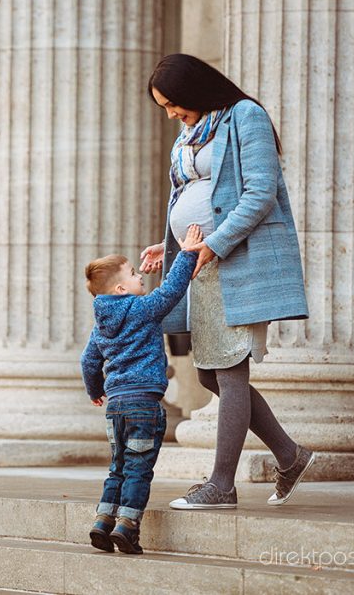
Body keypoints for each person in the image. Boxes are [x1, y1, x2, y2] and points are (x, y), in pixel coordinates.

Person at [139, 53, 315, 510]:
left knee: (229, 367)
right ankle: (290, 455)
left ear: (197, 90)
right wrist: (172, 245)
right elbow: (192, 196)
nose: (172, 114)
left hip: (237, 261)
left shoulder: (244, 117)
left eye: (175, 104)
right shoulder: (193, 131)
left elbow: (261, 191)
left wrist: (214, 244)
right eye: (165, 108)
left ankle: (222, 484)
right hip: (200, 263)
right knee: (209, 372)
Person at [80, 224, 202, 555]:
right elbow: (173, 289)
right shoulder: (142, 309)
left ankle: (103, 521)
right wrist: (188, 252)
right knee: (138, 466)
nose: (140, 278)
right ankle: (128, 526)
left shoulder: (101, 326)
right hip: (144, 404)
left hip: (115, 405)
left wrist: (95, 390)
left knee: (118, 465)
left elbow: (89, 362)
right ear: (121, 288)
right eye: (134, 274)